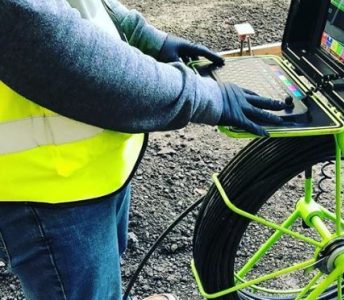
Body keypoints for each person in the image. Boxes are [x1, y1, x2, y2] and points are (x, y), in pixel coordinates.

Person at [0, 0, 287, 299]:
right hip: (42, 190)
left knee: (102, 280)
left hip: (90, 170)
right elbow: (54, 44)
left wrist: (142, 35)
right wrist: (201, 96)